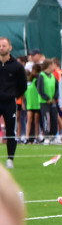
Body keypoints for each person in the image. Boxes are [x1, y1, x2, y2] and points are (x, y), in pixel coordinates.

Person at [0, 37, 27, 169]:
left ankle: (10, 158)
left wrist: (14, 95)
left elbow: (23, 86)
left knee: (11, 131)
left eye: (4, 46)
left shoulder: (17, 66)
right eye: (0, 46)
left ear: (9, 47)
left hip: (10, 102)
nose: (1, 48)